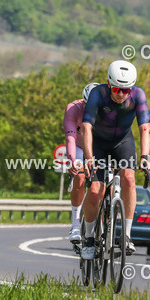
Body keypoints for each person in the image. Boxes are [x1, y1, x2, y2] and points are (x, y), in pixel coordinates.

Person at [79, 59, 150, 259]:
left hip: (123, 142)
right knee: (95, 190)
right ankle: (89, 237)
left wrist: (145, 156)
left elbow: (145, 127)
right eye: (116, 89)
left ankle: (126, 235)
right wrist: (88, 157)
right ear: (109, 84)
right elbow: (86, 127)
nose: (120, 94)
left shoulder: (138, 95)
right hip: (98, 144)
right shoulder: (98, 94)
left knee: (129, 178)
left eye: (125, 90)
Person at [63, 82, 101, 243]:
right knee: (79, 176)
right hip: (78, 146)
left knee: (105, 183)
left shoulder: (107, 110)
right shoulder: (73, 109)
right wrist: (73, 161)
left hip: (99, 148)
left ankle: (107, 223)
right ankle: (76, 224)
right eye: (87, 105)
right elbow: (71, 137)